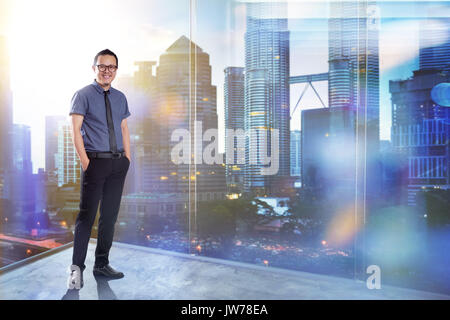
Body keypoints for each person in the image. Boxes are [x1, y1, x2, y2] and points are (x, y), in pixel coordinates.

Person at [67, 49, 131, 289]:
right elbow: (75, 130)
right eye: (102, 66)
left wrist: (127, 158)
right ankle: (76, 270)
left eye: (111, 67)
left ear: (116, 70)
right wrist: (86, 162)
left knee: (109, 217)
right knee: (86, 217)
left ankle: (101, 264)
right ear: (94, 68)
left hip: (117, 164)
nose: (107, 71)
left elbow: (124, 129)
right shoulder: (82, 95)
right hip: (95, 162)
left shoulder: (120, 97)